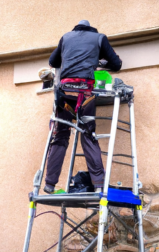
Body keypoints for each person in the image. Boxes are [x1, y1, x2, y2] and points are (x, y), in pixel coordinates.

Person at [44, 20, 122, 194]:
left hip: (64, 92)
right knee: (88, 134)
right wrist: (99, 62)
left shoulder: (65, 38)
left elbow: (52, 61)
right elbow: (117, 64)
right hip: (84, 92)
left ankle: (49, 184)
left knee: (61, 135)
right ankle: (99, 184)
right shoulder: (99, 38)